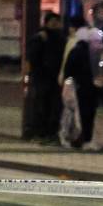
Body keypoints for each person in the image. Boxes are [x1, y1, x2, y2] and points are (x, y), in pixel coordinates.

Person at [25, 12, 66, 142]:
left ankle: (50, 132)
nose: (55, 24)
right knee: (42, 105)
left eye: (57, 21)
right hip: (42, 78)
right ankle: (40, 132)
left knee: (53, 106)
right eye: (53, 21)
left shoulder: (60, 38)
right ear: (47, 22)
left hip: (54, 78)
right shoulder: (40, 37)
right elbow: (33, 57)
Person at [61, 15, 99, 148]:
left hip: (79, 85)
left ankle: (77, 137)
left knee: (76, 112)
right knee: (89, 113)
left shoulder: (75, 49)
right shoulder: (94, 51)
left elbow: (68, 69)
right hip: (91, 86)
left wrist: (66, 81)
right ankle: (86, 138)